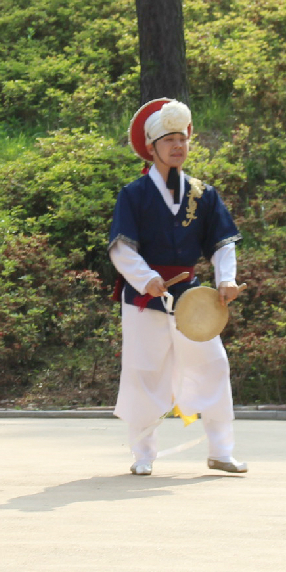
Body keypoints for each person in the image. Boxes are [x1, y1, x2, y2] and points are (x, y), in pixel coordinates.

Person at [107, 99, 246, 476]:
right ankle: (143, 454)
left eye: (182, 138)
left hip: (191, 297)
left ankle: (221, 449)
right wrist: (145, 277)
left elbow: (223, 242)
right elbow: (122, 248)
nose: (177, 146)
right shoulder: (133, 194)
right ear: (151, 147)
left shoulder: (203, 193)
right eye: (168, 139)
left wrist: (226, 279)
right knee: (144, 371)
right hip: (143, 297)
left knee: (214, 365)